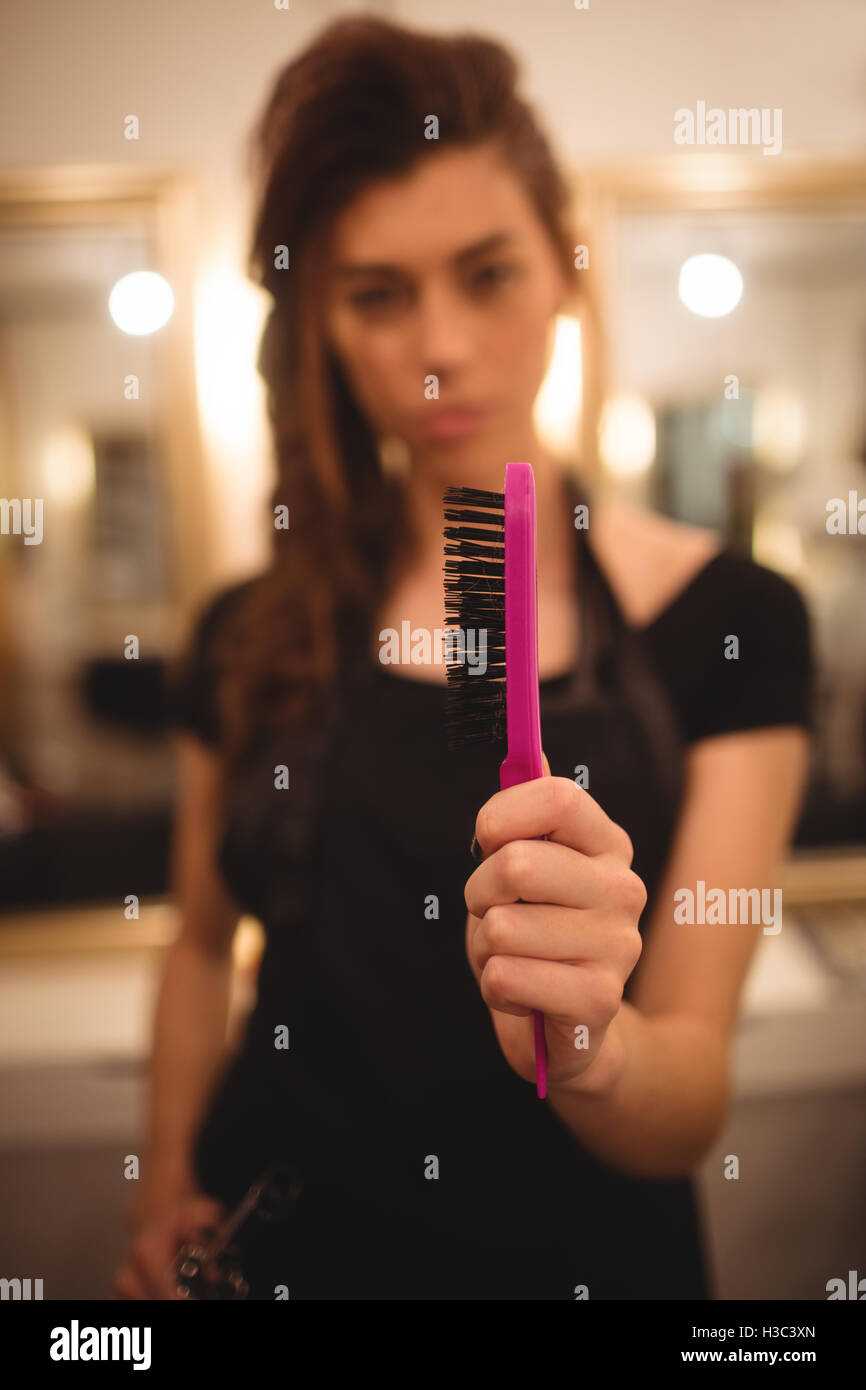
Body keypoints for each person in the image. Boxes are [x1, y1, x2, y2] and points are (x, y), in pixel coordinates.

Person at [112, 15, 813, 1301]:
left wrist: (595, 1049)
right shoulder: (250, 630)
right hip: (283, 1252)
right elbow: (202, 948)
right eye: (376, 294)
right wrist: (163, 1186)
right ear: (321, 323)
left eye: (486, 273)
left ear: (564, 270)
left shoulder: (735, 622)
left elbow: (691, 1087)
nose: (437, 346)